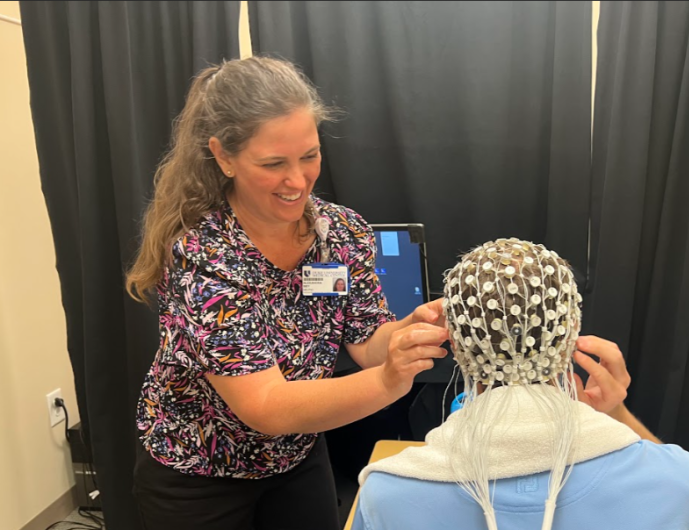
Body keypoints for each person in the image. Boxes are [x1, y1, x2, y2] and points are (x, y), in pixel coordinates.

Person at [126, 56, 449, 530]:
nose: (297, 181)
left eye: (310, 155)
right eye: (273, 163)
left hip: (297, 459)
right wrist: (389, 380)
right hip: (198, 474)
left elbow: (368, 342)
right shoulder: (203, 255)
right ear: (223, 156)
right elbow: (268, 407)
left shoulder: (341, 232)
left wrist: (410, 335)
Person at [352, 239, 689, 530]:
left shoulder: (387, 496)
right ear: (570, 330)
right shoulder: (675, 482)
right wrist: (617, 412)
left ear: (457, 343)